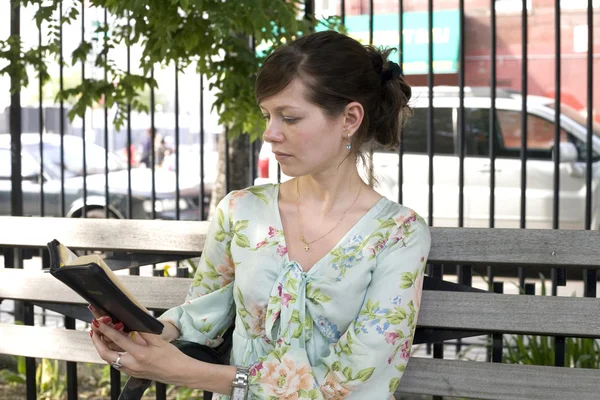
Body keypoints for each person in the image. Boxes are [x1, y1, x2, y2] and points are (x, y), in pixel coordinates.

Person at [89, 30, 431, 399]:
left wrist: (192, 374)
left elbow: (350, 386)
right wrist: (148, 335)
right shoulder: (241, 210)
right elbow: (205, 310)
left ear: (349, 118)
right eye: (267, 115)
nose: (270, 133)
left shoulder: (398, 234)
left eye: (290, 118)